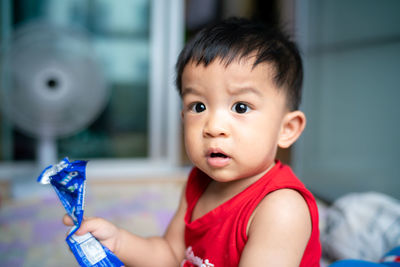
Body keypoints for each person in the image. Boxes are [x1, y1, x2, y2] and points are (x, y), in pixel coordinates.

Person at [64, 17, 321, 266]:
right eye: (198, 106)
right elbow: (169, 254)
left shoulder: (281, 209)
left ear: (286, 129)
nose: (213, 127)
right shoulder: (198, 182)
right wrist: (118, 242)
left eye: (241, 107)